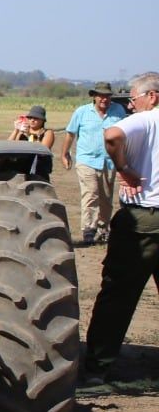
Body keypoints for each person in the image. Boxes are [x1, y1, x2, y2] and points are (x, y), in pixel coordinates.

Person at [80, 72, 159, 386]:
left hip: (144, 218)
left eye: (135, 98)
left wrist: (124, 169)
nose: (132, 104)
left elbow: (112, 136)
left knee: (118, 294)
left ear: (152, 96)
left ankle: (99, 367)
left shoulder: (148, 119)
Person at [62, 82, 129, 245]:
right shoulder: (82, 112)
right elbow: (70, 133)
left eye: (107, 96)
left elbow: (124, 135)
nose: (104, 99)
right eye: (100, 95)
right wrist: (64, 153)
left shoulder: (118, 111)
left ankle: (102, 228)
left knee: (106, 197)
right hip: (87, 159)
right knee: (90, 193)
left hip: (109, 161)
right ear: (94, 96)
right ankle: (88, 229)